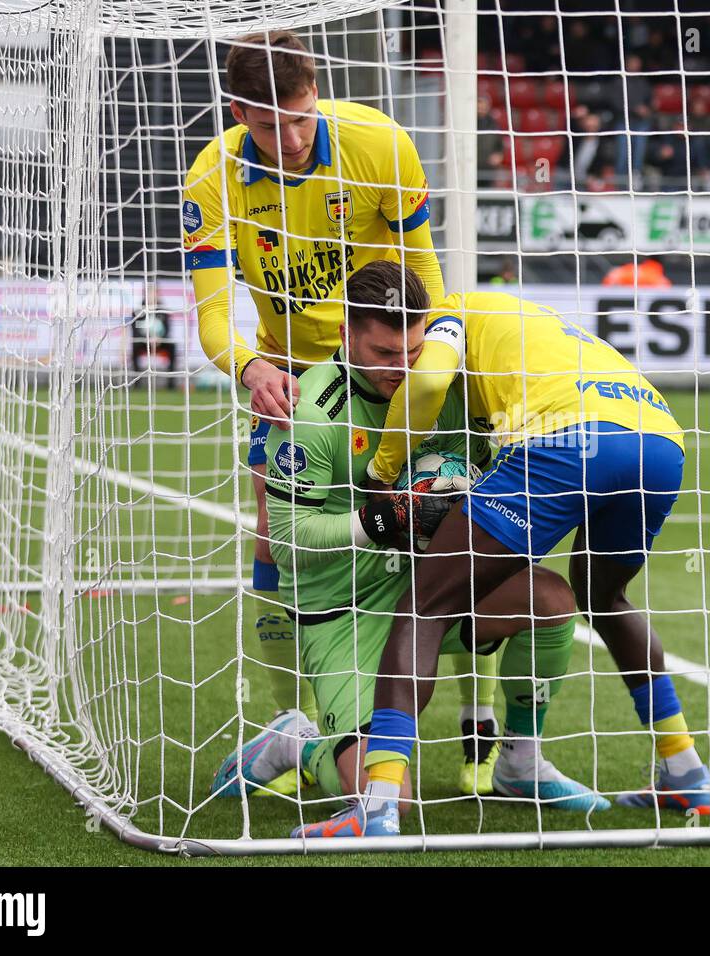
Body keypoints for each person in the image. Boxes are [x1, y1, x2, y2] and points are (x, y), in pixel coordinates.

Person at [181, 29, 498, 797]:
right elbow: (214, 313)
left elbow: (424, 268)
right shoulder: (211, 178)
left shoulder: (379, 144)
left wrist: (429, 354)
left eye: (299, 117)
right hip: (290, 375)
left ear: (315, 94)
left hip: (393, 359)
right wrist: (248, 366)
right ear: (237, 113)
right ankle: (296, 725)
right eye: (266, 124)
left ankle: (480, 730)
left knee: (452, 516)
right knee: (280, 540)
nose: (288, 139)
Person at [301, 287, 710, 838]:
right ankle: (686, 770)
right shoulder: (536, 320)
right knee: (603, 598)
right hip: (660, 440)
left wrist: (384, 474)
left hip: (571, 438)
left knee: (425, 605)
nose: (407, 359)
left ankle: (378, 807)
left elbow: (429, 382)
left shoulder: (452, 310)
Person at [208, 263, 603, 820]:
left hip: (427, 586)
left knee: (553, 601)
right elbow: (291, 544)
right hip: (342, 608)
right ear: (345, 335)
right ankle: (293, 743)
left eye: (413, 350)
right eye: (385, 353)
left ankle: (520, 760)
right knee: (385, 801)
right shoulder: (311, 413)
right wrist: (380, 520)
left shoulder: (446, 389)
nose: (403, 367)